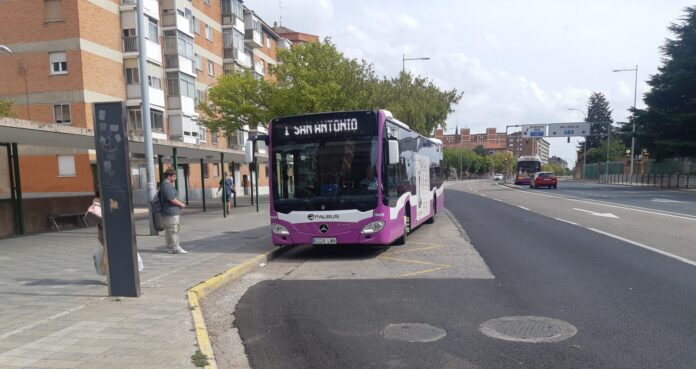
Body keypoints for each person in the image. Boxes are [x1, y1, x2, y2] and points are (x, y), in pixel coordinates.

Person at [160, 168, 188, 254]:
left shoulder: (164, 184)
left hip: (167, 211)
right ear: (169, 176)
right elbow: (171, 198)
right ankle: (176, 248)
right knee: (174, 229)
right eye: (174, 176)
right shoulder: (167, 185)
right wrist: (181, 204)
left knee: (169, 230)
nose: (175, 178)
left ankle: (169, 247)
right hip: (171, 211)